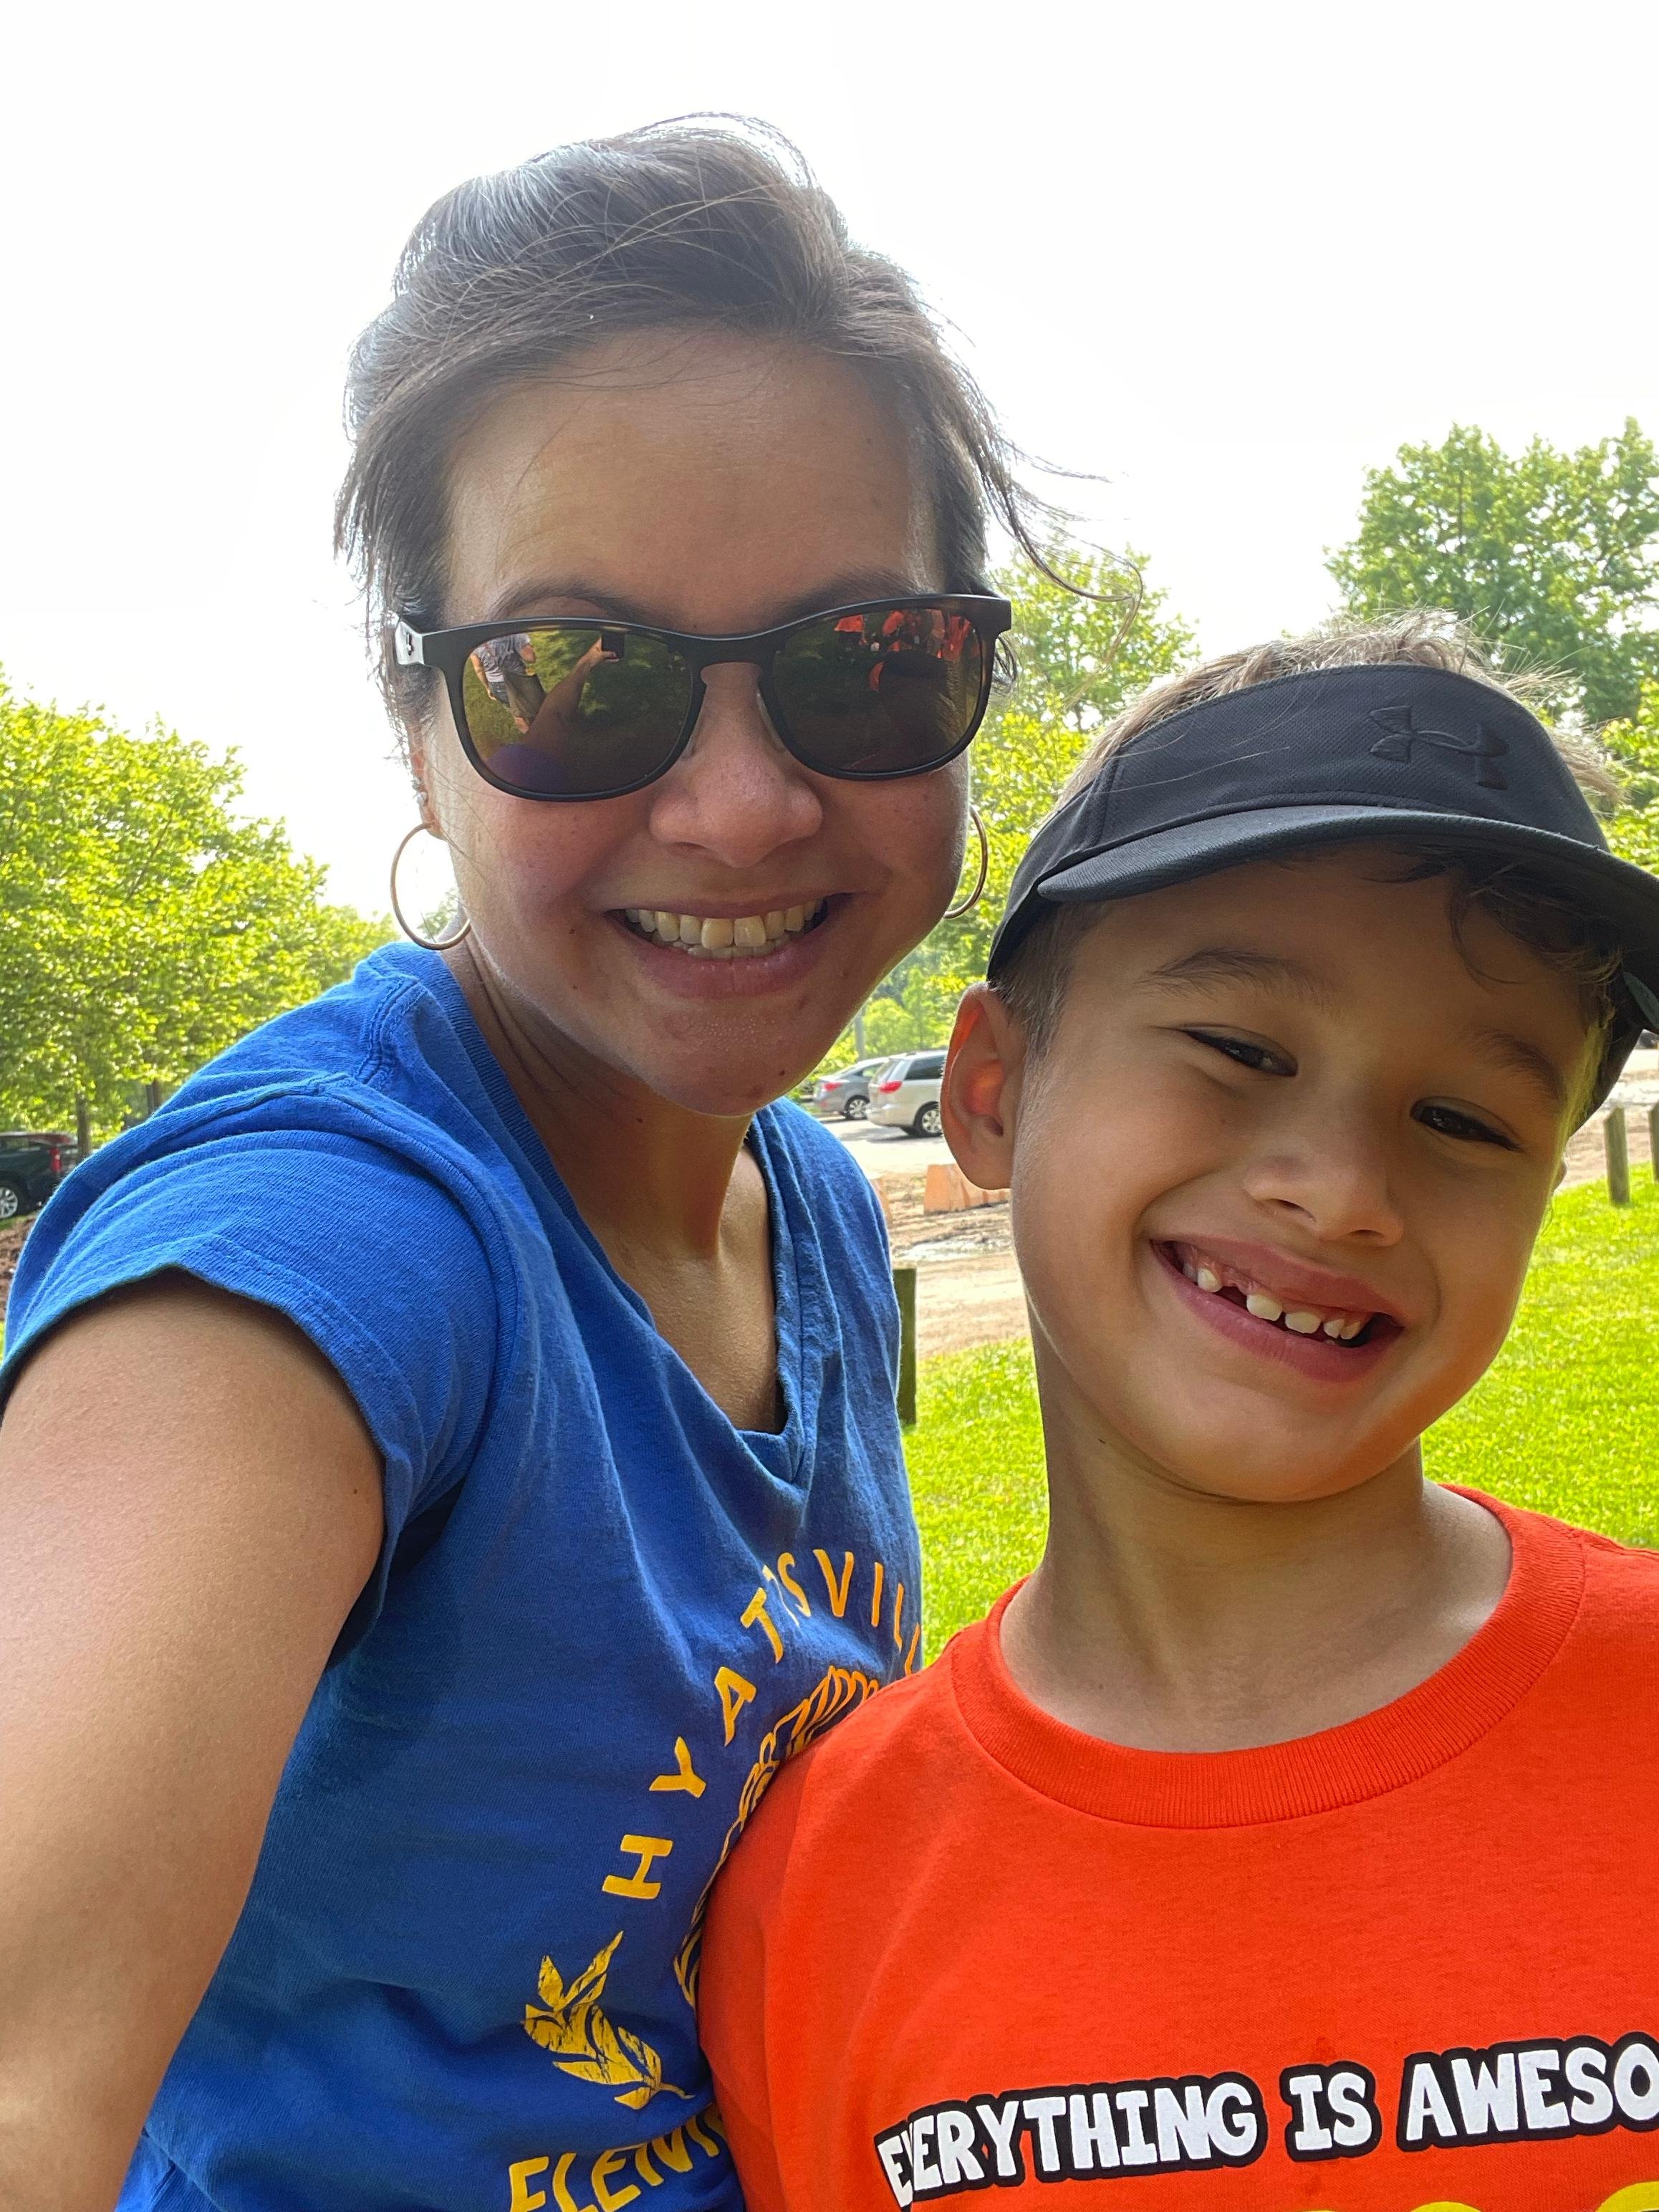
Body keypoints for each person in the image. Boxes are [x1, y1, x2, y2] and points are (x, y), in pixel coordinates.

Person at [0, 120, 1031, 2212]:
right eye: (577, 680)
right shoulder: (304, 1256)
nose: (741, 810)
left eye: (862, 662)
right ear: (420, 732)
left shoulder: (805, 1200)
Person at [699, 617, 1659, 2212]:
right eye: (1238, 1045)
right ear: (993, 1090)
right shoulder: (818, 1887)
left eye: (1465, 1116)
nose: (1342, 1188)